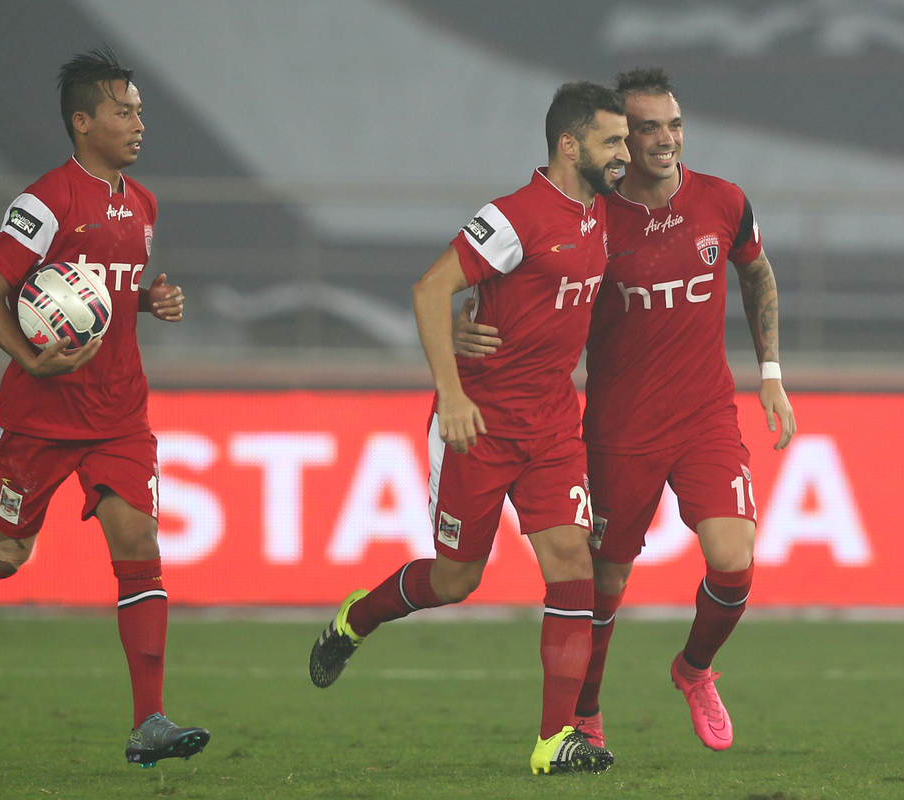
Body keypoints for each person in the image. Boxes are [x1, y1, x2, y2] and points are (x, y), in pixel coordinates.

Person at [455, 67, 796, 753]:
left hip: (705, 416)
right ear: (618, 140)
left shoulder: (724, 201)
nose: (665, 139)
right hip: (617, 425)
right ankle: (583, 715)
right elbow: (508, 282)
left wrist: (771, 373)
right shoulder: (594, 218)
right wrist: (467, 320)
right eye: (646, 128)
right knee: (603, 582)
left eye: (673, 124)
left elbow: (755, 269)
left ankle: (693, 670)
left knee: (734, 561)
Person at [0, 48, 209, 768]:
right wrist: (31, 358)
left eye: (138, 110)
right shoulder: (44, 203)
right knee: (5, 553)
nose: (139, 123)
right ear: (82, 120)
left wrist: (151, 304)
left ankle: (149, 721)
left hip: (120, 416)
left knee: (139, 543)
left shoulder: (144, 204)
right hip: (39, 418)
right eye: (123, 111)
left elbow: (104, 303)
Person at [308, 81, 630, 775]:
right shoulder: (515, 217)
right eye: (612, 141)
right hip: (477, 424)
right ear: (570, 144)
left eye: (627, 141)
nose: (624, 154)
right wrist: (450, 392)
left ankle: (553, 741)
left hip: (550, 425)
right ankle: (356, 618)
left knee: (573, 563)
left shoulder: (604, 212)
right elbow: (430, 289)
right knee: (456, 581)